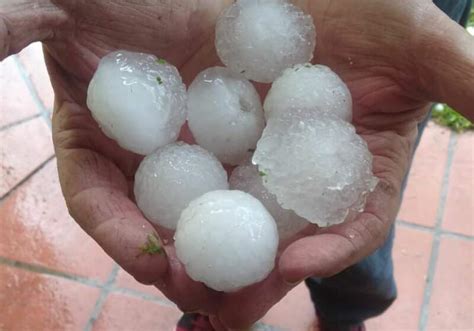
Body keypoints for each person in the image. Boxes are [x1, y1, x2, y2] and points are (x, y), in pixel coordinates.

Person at [0, 0, 472, 330]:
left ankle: (346, 313)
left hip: (396, 22)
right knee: (232, 270)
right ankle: (210, 311)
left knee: (356, 242)